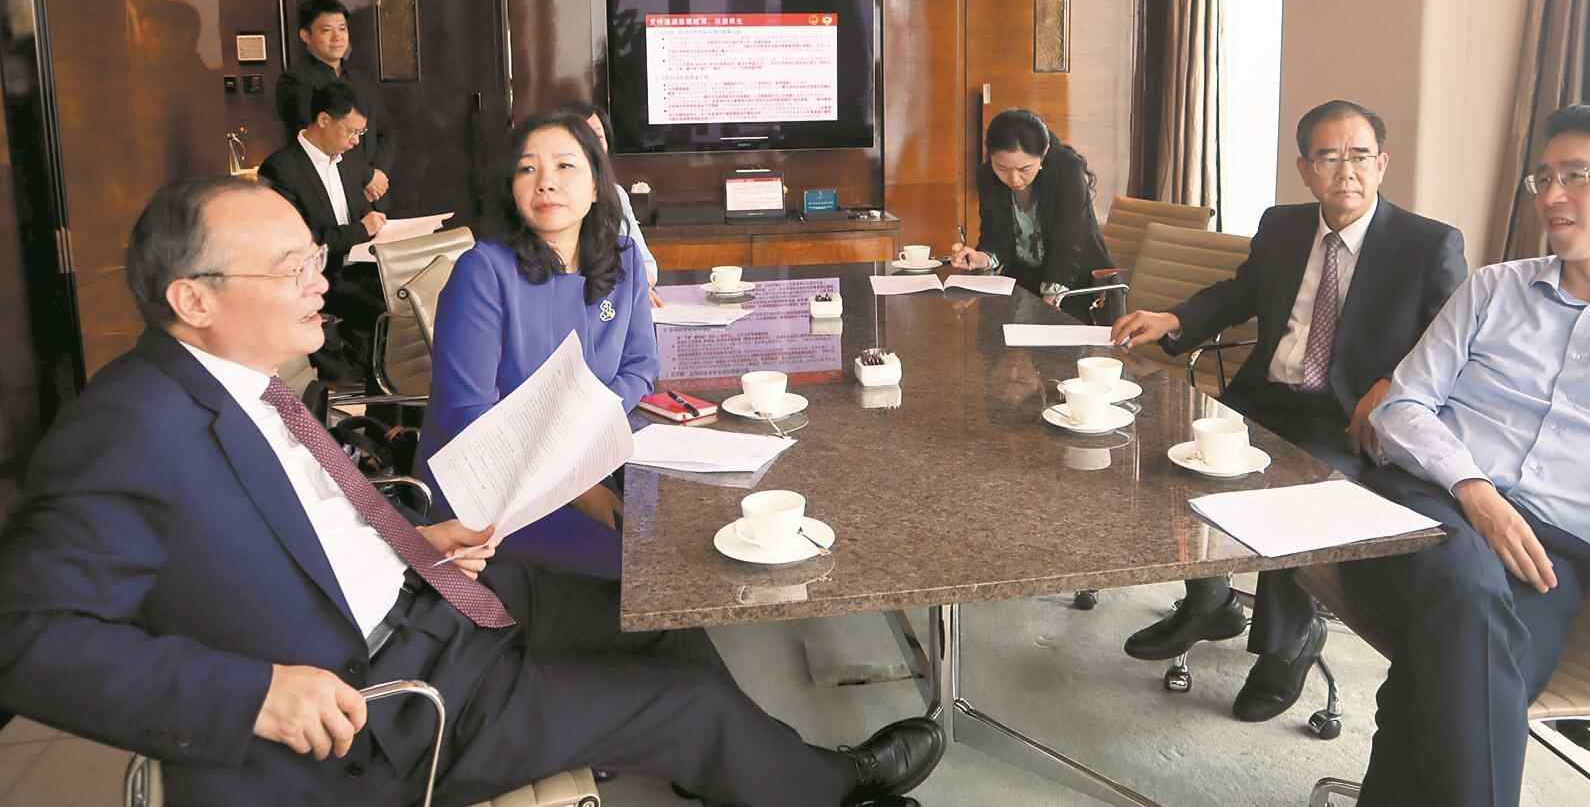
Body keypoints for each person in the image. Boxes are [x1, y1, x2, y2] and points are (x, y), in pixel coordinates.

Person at [0, 176, 943, 807]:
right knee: (681, 704)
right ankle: (827, 787)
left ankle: (752, 778)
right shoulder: (129, 427)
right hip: (389, 704)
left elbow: (305, 528)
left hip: (436, 598)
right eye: (292, 269)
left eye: (315, 259)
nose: (320, 284)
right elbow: (26, 642)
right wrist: (254, 694)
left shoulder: (250, 388)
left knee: (656, 613)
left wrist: (418, 538)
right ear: (193, 299)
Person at [1340, 103, 1590, 807]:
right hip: (1423, 509)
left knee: (1450, 685)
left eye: (1576, 175)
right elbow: (1401, 407)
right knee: (1468, 597)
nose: (1549, 195)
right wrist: (1476, 493)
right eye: (1543, 177)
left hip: (1550, 559)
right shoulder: (1493, 288)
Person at [1112, 99, 1466, 722]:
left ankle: (1288, 643)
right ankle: (1210, 601)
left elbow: (1452, 342)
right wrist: (1173, 319)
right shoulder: (1282, 225)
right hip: (1264, 397)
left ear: (1382, 164)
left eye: (1360, 156)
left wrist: (1394, 383)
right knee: (1172, 458)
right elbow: (1241, 293)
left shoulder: (1427, 244)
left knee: (1290, 500)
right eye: (1328, 157)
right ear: (1305, 168)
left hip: (1344, 416)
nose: (1346, 171)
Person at [419, 111, 660, 580]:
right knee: (635, 572)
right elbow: (468, 416)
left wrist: (583, 443)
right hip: (491, 495)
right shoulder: (483, 271)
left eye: (565, 166)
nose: (545, 182)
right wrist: (572, 484)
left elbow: (641, 366)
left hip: (592, 457)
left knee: (673, 537)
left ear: (597, 186)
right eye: (527, 169)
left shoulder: (624, 258)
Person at [259, 82, 387, 380]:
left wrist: (375, 225)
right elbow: (299, 243)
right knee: (386, 307)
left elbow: (359, 214)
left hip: (360, 267)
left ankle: (393, 389)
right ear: (324, 120)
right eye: (351, 132)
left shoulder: (348, 161)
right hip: (319, 277)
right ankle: (371, 385)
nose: (355, 142)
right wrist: (360, 230)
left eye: (361, 133)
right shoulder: (281, 169)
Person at [948, 108, 1113, 321]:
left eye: (1024, 169)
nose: (1013, 179)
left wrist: (1049, 302)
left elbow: (1069, 242)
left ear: (1044, 152)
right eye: (1002, 168)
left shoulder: (1067, 169)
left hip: (1077, 287)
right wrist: (980, 258)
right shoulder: (987, 176)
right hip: (1025, 286)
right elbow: (994, 238)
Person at [277, 0, 395, 209]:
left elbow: (385, 131)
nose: (337, 37)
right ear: (305, 35)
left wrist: (379, 173)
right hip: (330, 192)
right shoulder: (295, 81)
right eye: (326, 30)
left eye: (342, 29)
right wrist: (367, 175)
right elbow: (313, 139)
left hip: (374, 195)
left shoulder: (361, 78)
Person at [559, 99, 664, 309]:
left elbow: (646, 264)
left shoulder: (616, 195)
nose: (591, 146)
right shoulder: (553, 199)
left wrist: (637, 286)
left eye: (598, 137)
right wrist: (625, 288)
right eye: (581, 137)